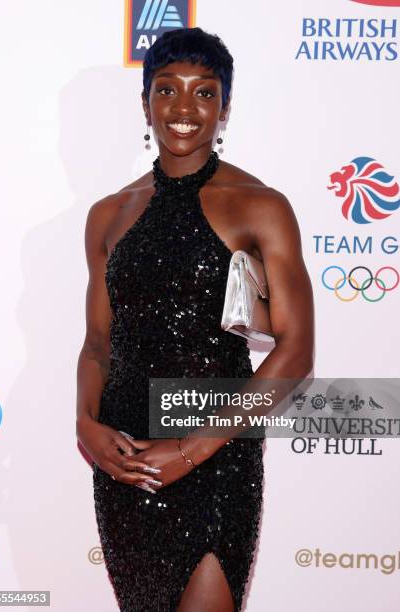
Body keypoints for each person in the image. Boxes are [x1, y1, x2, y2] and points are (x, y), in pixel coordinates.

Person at [76, 26, 314, 612]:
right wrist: (86, 423)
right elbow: (98, 345)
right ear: (146, 104)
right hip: (127, 457)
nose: (184, 108)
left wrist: (191, 450)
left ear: (225, 108)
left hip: (216, 452)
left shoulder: (260, 205)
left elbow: (295, 352)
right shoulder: (108, 214)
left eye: (204, 93)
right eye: (167, 90)